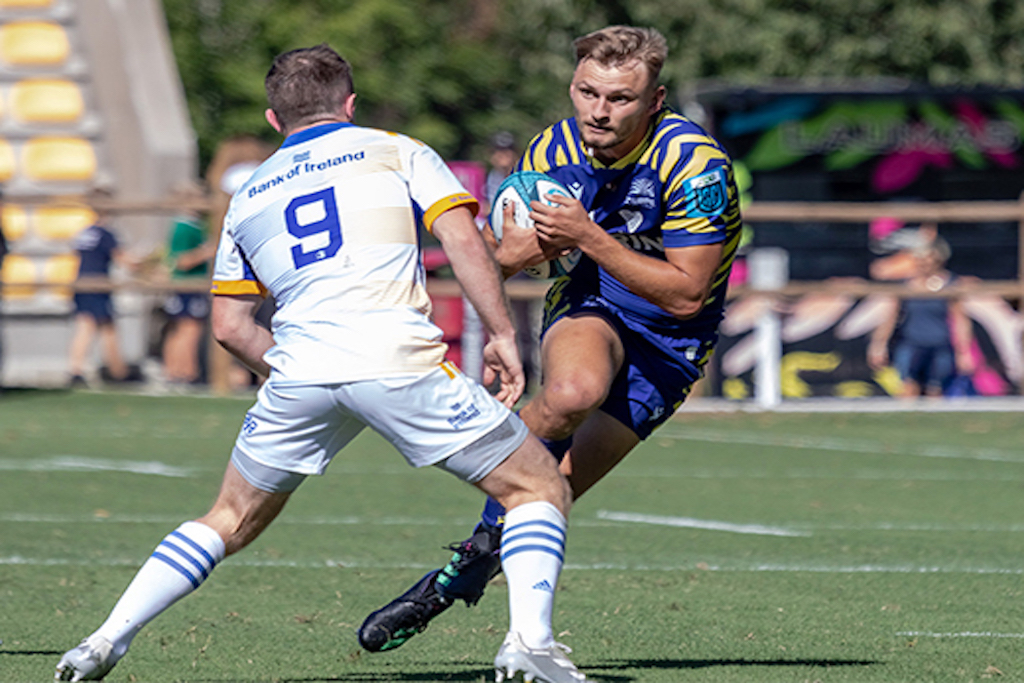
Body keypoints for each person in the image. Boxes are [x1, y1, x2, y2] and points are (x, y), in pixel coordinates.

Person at [55, 44, 587, 683]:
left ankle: (104, 639)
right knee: (537, 487)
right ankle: (528, 647)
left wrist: (299, 368)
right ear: (350, 105)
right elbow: (460, 237)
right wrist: (502, 331)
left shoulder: (248, 194)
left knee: (228, 517)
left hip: (300, 371)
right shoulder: (396, 148)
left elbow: (229, 327)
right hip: (397, 358)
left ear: (276, 121)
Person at [360, 24, 743, 651]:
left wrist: (587, 235)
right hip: (591, 302)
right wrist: (508, 258)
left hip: (674, 340)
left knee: (554, 487)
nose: (599, 110)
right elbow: (498, 256)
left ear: (656, 99)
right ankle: (483, 553)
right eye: (588, 92)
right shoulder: (550, 152)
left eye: (620, 99)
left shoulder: (694, 165)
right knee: (570, 393)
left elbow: (685, 293)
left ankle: (463, 571)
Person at [867, 234, 975, 398]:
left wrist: (964, 351)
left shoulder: (951, 284)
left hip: (940, 346)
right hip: (911, 344)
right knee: (907, 389)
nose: (924, 262)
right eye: (920, 257)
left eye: (929, 257)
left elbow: (960, 319)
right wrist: (878, 345)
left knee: (935, 391)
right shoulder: (905, 284)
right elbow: (890, 317)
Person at [66, 189, 138, 387]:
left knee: (103, 326)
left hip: (81, 282)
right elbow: (121, 258)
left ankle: (116, 369)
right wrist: (142, 264)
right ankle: (79, 370)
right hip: (98, 284)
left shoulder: (85, 232)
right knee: (91, 326)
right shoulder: (106, 234)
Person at [161, 181, 215, 385]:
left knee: (180, 328)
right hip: (187, 283)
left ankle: (175, 371)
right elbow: (181, 261)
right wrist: (207, 251)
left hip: (184, 284)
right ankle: (184, 372)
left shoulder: (188, 226)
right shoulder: (186, 227)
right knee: (189, 329)